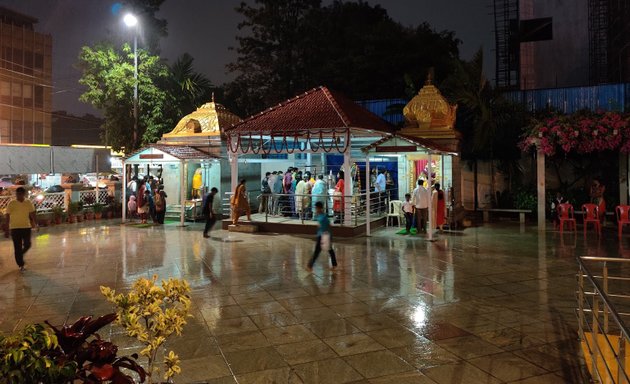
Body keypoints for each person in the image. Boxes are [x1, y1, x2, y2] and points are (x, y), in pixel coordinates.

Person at [3, 187, 37, 271]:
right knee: (17, 247)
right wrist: (7, 229)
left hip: (26, 227)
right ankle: (21, 264)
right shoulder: (12, 203)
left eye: (20, 194)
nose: (19, 196)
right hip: (15, 228)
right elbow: (7, 216)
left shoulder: (28, 202)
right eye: (17, 194)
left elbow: (32, 213)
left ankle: (19, 255)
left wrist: (36, 223)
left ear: (23, 194)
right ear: (16, 194)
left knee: (28, 244)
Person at [307, 201, 337, 271]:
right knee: (328, 250)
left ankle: (310, 265)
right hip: (322, 235)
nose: (316, 209)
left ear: (319, 208)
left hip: (324, 236)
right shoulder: (320, 215)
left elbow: (328, 226)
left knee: (322, 251)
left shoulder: (323, 217)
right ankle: (334, 264)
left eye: (316, 208)